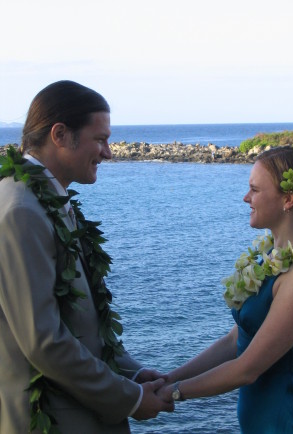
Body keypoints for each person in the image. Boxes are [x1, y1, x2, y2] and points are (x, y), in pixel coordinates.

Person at [0, 80, 173, 434]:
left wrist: (132, 372)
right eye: (100, 139)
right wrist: (132, 399)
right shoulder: (21, 211)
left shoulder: (46, 200)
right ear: (60, 135)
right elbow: (43, 340)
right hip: (54, 420)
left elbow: (80, 324)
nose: (108, 153)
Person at [158, 146, 293, 433]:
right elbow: (235, 340)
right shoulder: (268, 261)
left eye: (254, 189)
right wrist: (168, 378)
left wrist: (175, 393)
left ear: (288, 199)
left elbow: (247, 369)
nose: (246, 198)